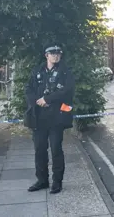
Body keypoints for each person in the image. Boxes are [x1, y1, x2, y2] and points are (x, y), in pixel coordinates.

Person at [24, 44, 75, 194]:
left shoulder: (65, 72)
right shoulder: (37, 71)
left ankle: (57, 182)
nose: (56, 56)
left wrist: (47, 99)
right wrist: (37, 101)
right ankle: (42, 180)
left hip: (56, 118)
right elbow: (28, 89)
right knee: (39, 150)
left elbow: (67, 90)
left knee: (56, 150)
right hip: (38, 118)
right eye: (52, 53)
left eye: (58, 53)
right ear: (46, 55)